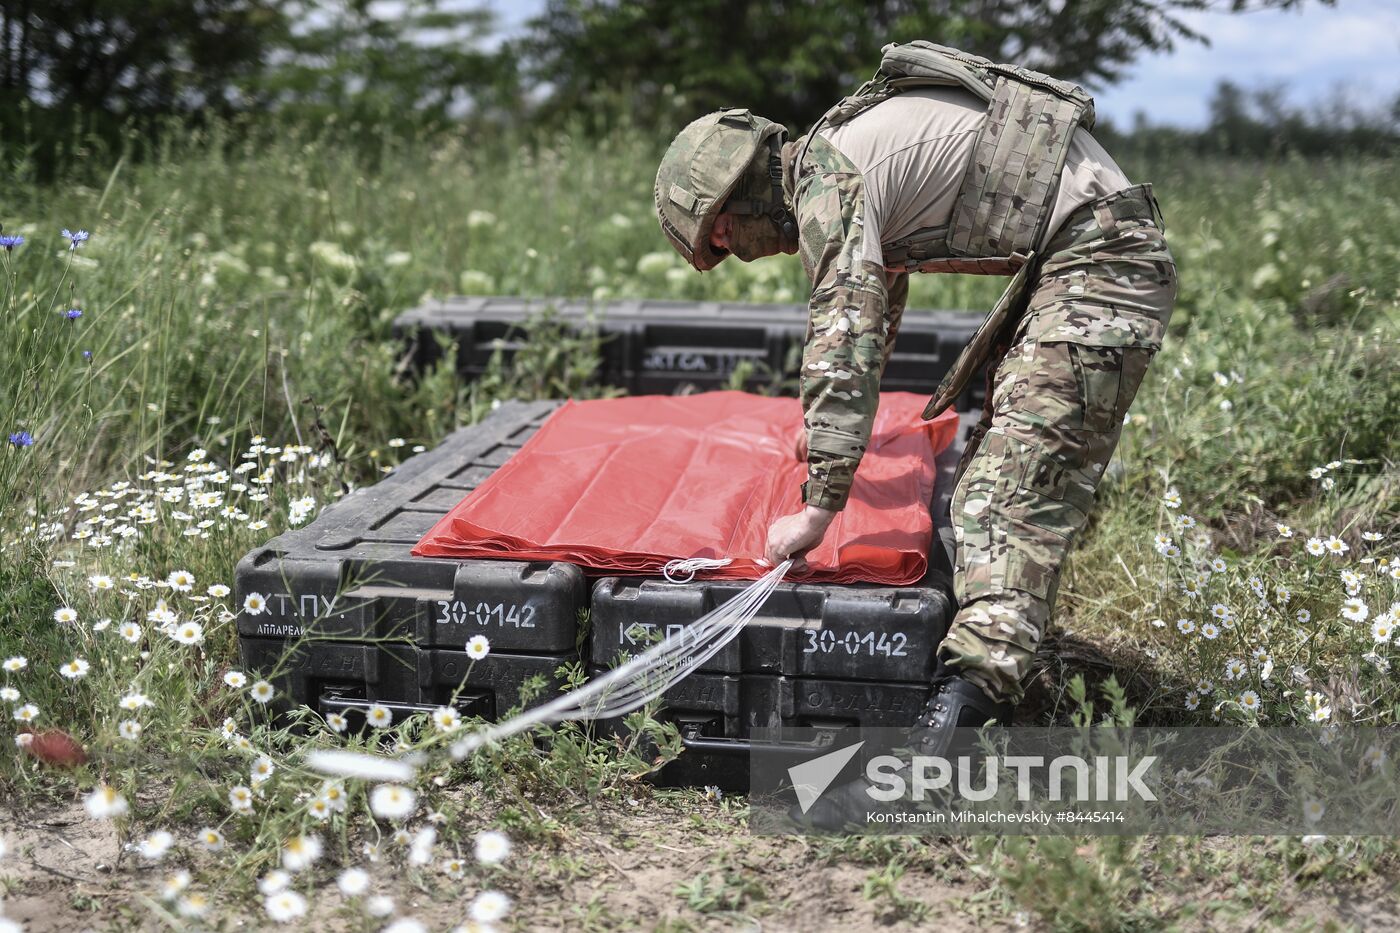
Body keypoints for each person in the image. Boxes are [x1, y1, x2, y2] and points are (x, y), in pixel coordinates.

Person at [654, 42, 1176, 826]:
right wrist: (825, 434)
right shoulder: (842, 157)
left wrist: (820, 503)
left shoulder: (828, 178)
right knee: (997, 479)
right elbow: (879, 303)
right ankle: (1005, 662)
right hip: (1084, 253)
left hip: (1101, 262)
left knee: (1002, 502)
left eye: (721, 235)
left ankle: (943, 756)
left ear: (741, 193)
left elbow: (847, 320)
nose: (731, 252)